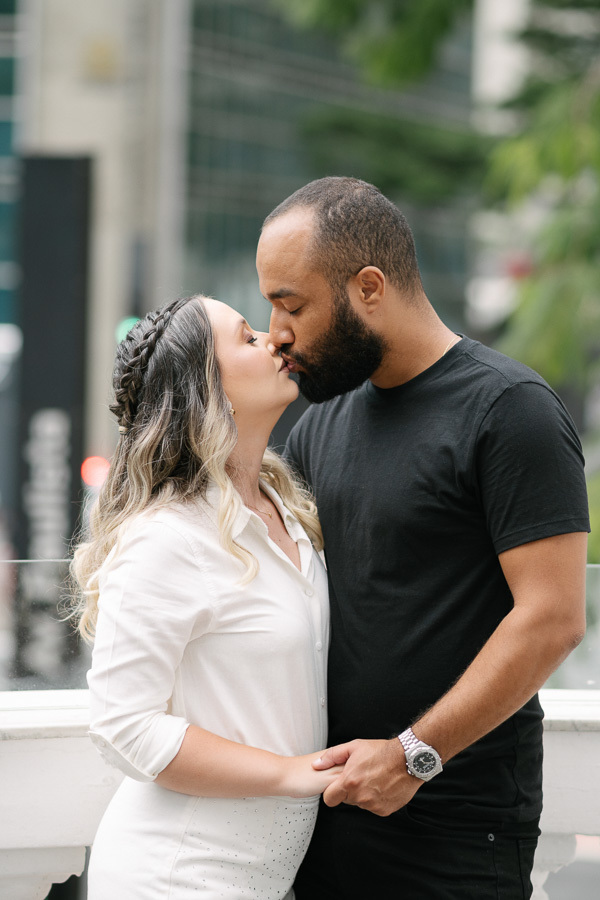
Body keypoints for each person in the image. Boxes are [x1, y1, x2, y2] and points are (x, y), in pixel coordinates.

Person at [255, 176, 589, 900]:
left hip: (456, 831)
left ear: (368, 287)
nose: (277, 330)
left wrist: (413, 758)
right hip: (329, 818)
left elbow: (554, 618)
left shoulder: (511, 411)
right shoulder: (321, 424)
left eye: (292, 304)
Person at [70, 294, 344, 900]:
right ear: (206, 388)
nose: (273, 341)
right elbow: (124, 725)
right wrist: (290, 774)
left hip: (263, 873)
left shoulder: (285, 512)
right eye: (247, 338)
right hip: (176, 874)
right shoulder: (166, 537)